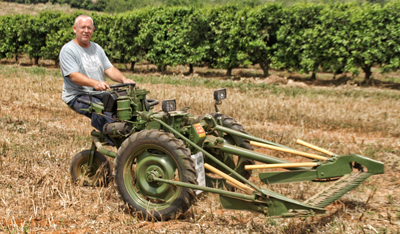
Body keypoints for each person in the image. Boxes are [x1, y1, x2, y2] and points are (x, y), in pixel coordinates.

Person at [60, 14, 135, 145]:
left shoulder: (96, 48)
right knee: (101, 113)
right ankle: (124, 147)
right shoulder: (68, 50)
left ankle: (135, 140)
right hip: (78, 95)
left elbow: (109, 69)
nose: (86, 31)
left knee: (129, 109)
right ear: (74, 29)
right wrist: (95, 83)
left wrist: (124, 79)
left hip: (99, 93)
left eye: (89, 28)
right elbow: (73, 75)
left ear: (93, 30)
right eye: (82, 27)